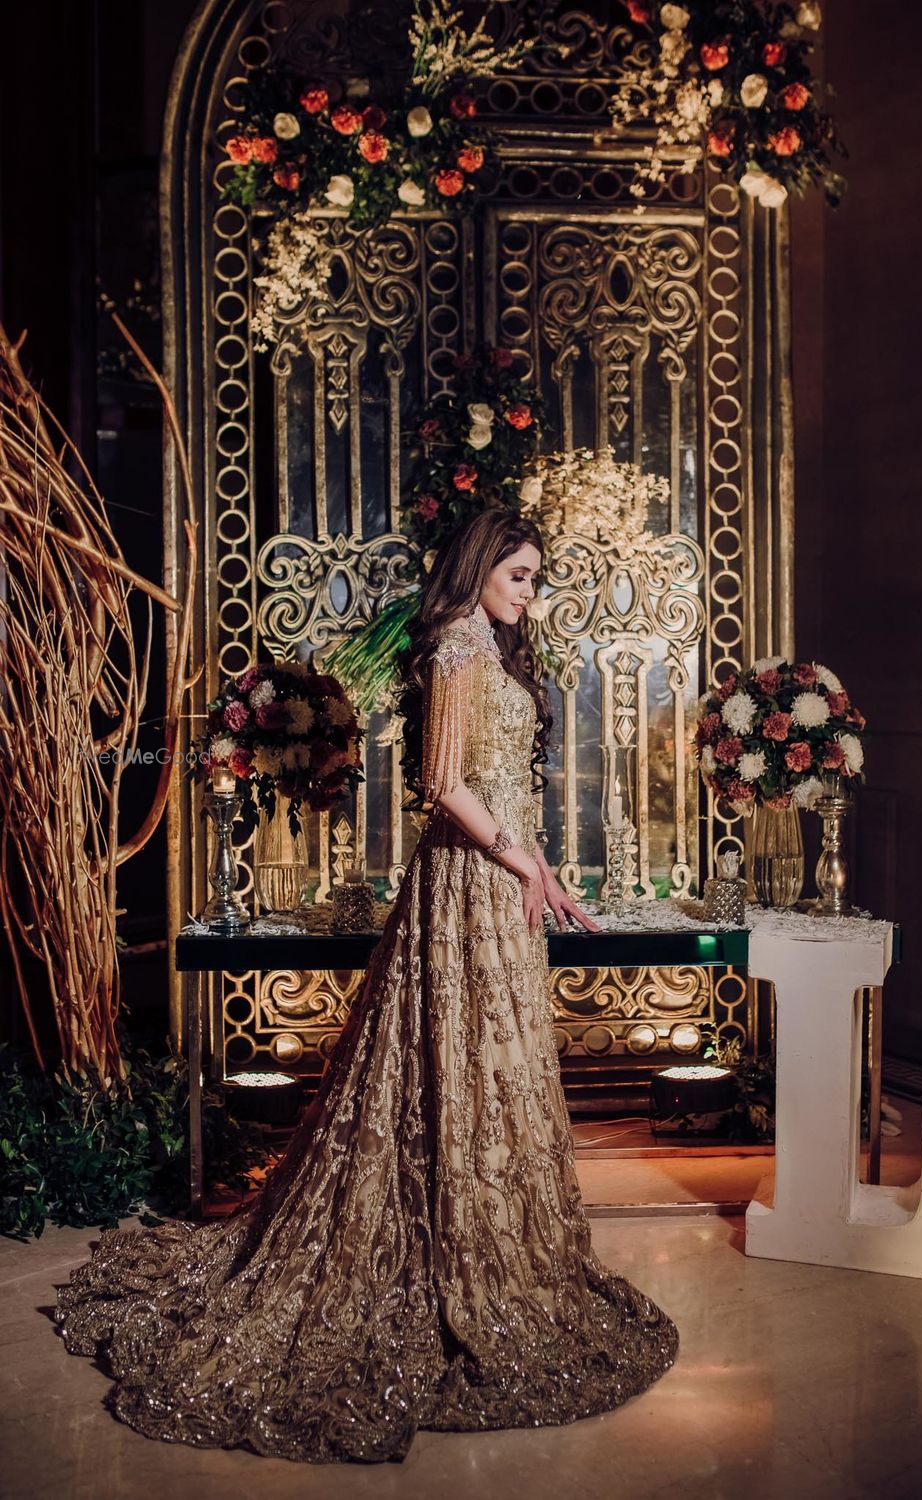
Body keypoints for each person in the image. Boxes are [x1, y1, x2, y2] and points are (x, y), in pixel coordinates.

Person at [55, 508, 678, 1464]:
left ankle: (489, 1232)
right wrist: (519, 864)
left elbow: (501, 778)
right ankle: (448, 1246)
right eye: (519, 574)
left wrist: (542, 871)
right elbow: (442, 783)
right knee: (447, 1064)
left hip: (497, 875)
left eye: (536, 578)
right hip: (468, 880)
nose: (530, 593)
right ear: (478, 571)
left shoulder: (493, 647)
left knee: (486, 1065)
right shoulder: (462, 645)